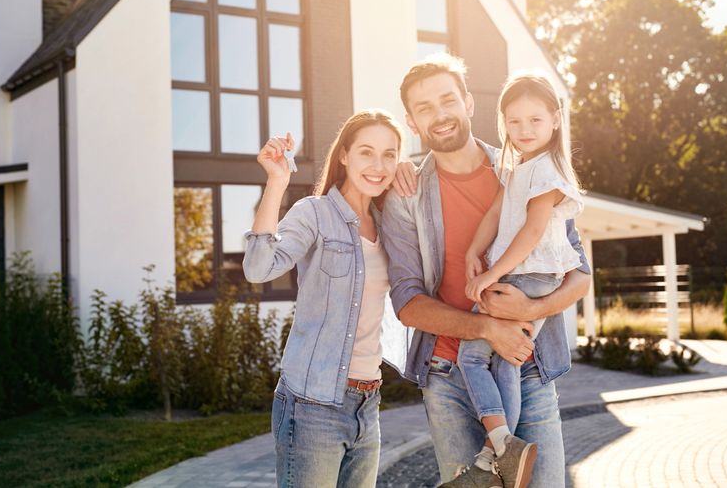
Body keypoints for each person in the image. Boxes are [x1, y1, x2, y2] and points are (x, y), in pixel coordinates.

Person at [381, 53, 591, 488]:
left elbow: (581, 274)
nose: (439, 115)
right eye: (425, 108)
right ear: (411, 121)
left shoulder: (525, 166)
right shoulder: (405, 195)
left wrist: (531, 308)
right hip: (449, 377)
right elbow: (407, 302)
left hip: (527, 365)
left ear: (469, 103)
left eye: (447, 100)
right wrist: (486, 330)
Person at [438, 72, 585, 488]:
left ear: (555, 120)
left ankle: (498, 450)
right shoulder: (520, 168)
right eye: (515, 122)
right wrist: (472, 252)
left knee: (471, 358)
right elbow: (495, 216)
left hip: (530, 277)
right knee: (506, 357)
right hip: (525, 275)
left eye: (535, 121)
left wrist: (491, 272)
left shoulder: (548, 170)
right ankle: (502, 448)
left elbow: (533, 231)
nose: (524, 130)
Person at [242, 109, 402, 488]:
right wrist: (277, 182)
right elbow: (258, 268)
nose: (378, 165)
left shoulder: (390, 223)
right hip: (313, 404)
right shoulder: (316, 213)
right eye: (366, 152)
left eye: (389, 154)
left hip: (369, 402)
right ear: (343, 155)